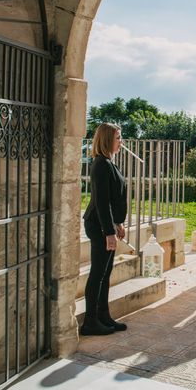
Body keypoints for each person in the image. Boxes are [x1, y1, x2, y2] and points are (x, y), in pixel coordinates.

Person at [80, 123, 128, 336]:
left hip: (106, 225)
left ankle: (103, 315)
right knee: (98, 273)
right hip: (97, 226)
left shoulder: (109, 162)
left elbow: (112, 198)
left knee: (105, 272)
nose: (121, 141)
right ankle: (90, 322)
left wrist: (117, 223)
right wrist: (109, 231)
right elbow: (101, 201)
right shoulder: (101, 164)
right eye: (118, 138)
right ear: (108, 139)